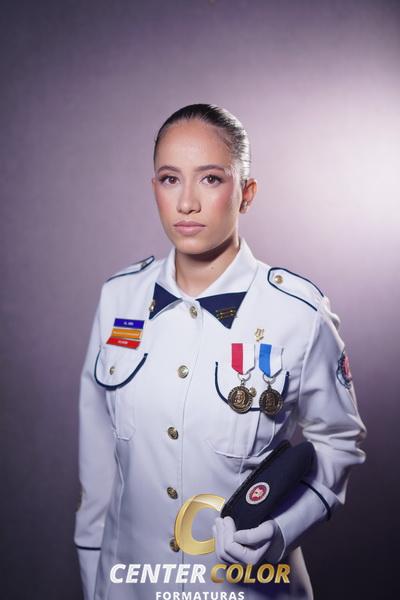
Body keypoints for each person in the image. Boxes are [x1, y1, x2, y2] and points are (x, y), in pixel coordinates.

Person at [74, 104, 367, 600]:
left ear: (246, 193)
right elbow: (98, 461)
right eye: (170, 179)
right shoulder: (118, 298)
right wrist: (94, 579)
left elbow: (338, 442)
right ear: (154, 188)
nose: (187, 202)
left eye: (210, 179)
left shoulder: (297, 313)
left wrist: (281, 531)